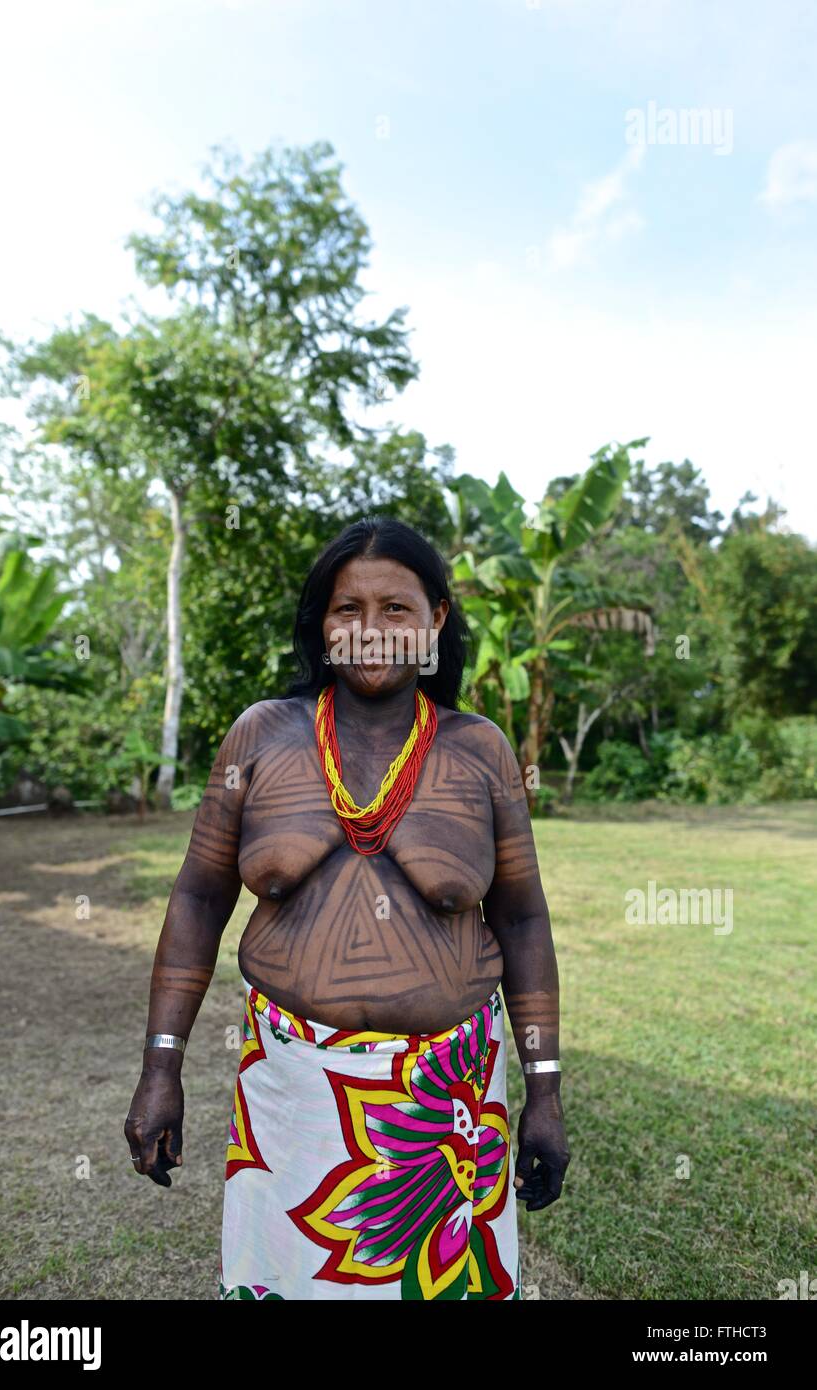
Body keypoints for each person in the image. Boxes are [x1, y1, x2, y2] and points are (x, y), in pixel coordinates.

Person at [124, 516, 569, 1301]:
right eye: (346, 609)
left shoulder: (479, 752)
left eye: (395, 610)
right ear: (320, 625)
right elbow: (197, 896)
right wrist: (161, 1064)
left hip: (447, 1105)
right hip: (289, 1088)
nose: (369, 631)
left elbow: (524, 920)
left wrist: (544, 1089)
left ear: (434, 620)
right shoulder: (260, 737)